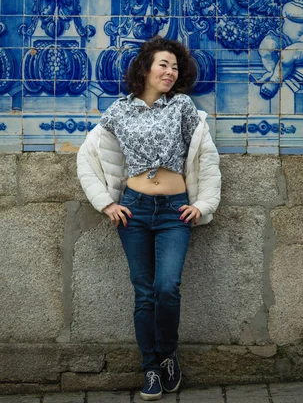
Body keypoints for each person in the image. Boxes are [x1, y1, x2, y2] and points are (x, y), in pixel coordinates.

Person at [77, 36, 221, 401]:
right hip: (135, 212)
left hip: (174, 212)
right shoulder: (118, 111)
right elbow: (87, 158)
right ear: (145, 68)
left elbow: (205, 157)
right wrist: (106, 203)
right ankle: (150, 368)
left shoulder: (183, 108)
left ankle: (169, 354)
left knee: (166, 287)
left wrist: (202, 204)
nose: (170, 72)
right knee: (144, 294)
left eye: (175, 67)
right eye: (163, 65)